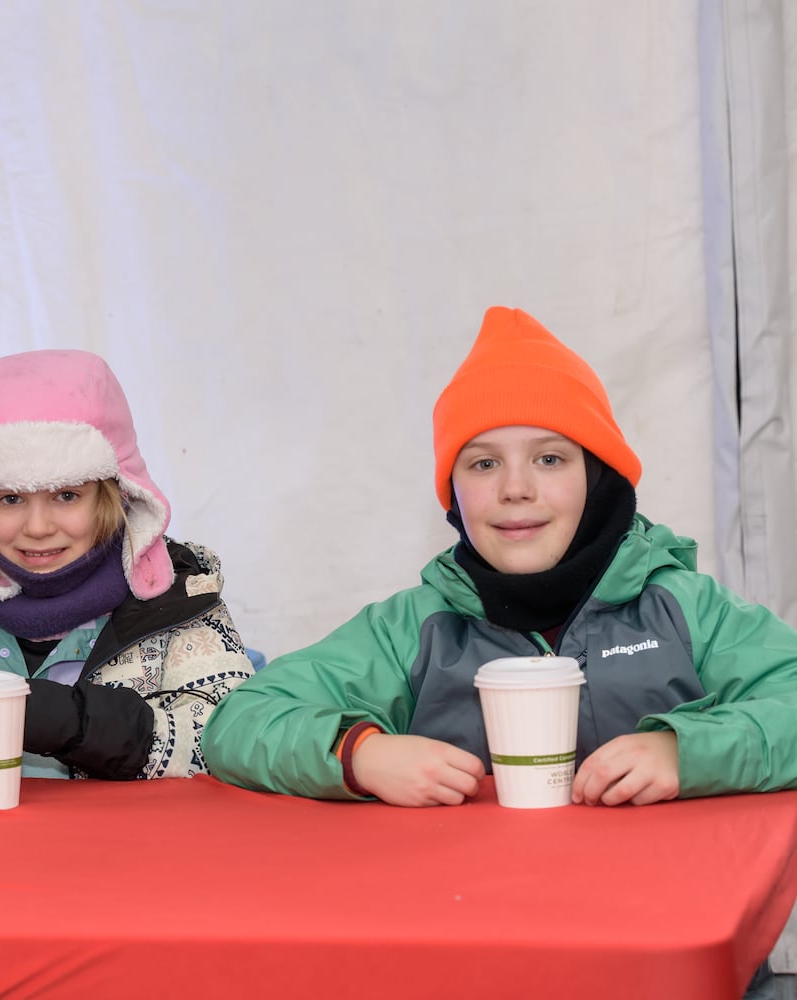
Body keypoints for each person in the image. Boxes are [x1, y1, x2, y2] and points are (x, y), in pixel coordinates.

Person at [202, 306, 797, 809]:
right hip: (481, 925)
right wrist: (359, 754)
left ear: (597, 476)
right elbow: (242, 721)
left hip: (665, 920)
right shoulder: (413, 630)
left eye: (549, 459)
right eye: (484, 463)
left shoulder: (684, 610)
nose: (516, 489)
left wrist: (686, 752)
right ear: (454, 490)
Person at [0, 349, 253, 779]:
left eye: (66, 495)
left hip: (130, 847)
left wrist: (80, 724)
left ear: (116, 494)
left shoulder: (174, 602)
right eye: (10, 499)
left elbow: (235, 743)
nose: (37, 526)